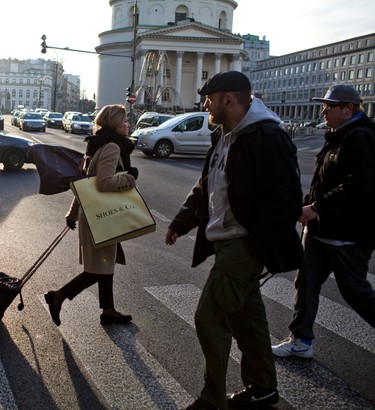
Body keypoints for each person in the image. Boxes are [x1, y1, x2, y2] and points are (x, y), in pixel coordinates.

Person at [165, 71, 304, 410]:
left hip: (244, 243)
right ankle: (263, 389)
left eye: (209, 100)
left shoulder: (266, 137)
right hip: (228, 241)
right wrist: (182, 221)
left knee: (209, 316)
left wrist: (255, 248)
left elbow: (286, 201)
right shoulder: (224, 135)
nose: (205, 105)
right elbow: (206, 186)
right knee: (247, 319)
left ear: (228, 99)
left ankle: (212, 399)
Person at [272, 84, 375, 359]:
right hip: (320, 230)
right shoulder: (337, 135)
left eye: (329, 106)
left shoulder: (362, 137)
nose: (323, 111)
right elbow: (322, 180)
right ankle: (301, 340)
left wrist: (316, 207)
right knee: (305, 284)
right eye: (324, 105)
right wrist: (307, 206)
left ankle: (301, 338)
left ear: (348, 109)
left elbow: (356, 186)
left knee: (355, 292)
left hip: (348, 233)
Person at [44, 104, 139, 326]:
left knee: (105, 264)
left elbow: (87, 183)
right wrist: (130, 177)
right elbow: (103, 183)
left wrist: (73, 213)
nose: (128, 124)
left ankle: (108, 311)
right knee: (98, 269)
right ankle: (58, 296)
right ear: (114, 124)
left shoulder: (98, 145)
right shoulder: (113, 147)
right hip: (103, 217)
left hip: (94, 214)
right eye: (124, 120)